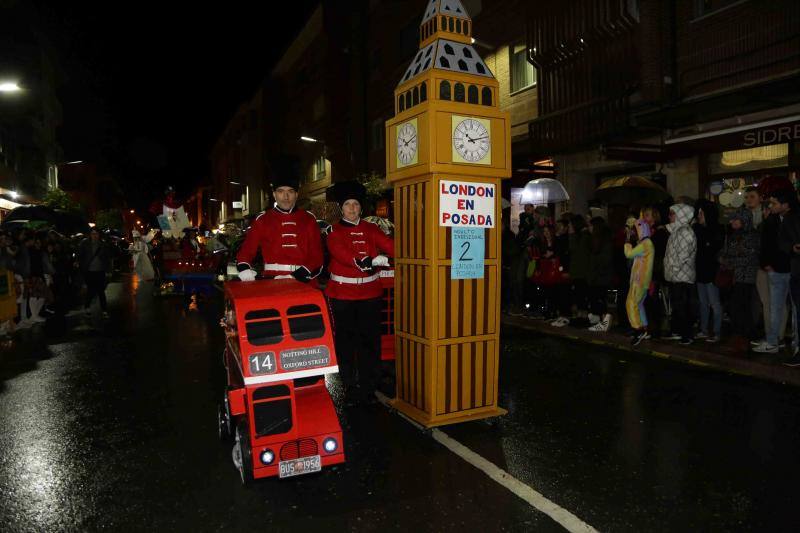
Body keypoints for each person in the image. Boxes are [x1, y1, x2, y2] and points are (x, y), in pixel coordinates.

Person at [325, 181, 394, 406]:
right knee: (346, 342)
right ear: (341, 208)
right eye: (348, 205)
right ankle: (349, 385)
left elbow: (390, 246)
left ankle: (369, 386)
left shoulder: (371, 229)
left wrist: (405, 250)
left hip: (370, 294)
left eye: (356, 204)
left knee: (370, 342)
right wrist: (366, 260)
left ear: (361, 208)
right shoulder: (333, 231)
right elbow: (342, 253)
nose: (352, 208)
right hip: (343, 296)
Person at [236, 158, 323, 282]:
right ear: (274, 194)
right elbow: (246, 252)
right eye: (281, 191)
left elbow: (316, 257)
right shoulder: (262, 219)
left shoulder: (308, 219)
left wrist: (294, 276)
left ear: (297, 194)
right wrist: (244, 269)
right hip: (271, 281)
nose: (286, 197)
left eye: (290, 191)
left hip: (303, 282)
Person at [753, 189, 795, 354]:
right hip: (779, 269)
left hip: (786, 268)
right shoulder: (773, 220)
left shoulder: (787, 220)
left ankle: (776, 340)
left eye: (774, 203)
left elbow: (773, 245)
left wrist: (768, 263)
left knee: (778, 306)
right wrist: (768, 264)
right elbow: (768, 245)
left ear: (785, 204)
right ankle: (774, 339)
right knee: (776, 306)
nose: (771, 206)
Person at [719, 209, 760, 349]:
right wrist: (724, 259)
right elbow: (723, 253)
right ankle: (741, 335)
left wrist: (728, 262)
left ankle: (745, 335)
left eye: (735, 219)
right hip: (734, 277)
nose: (731, 222)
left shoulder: (751, 236)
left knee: (740, 307)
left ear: (743, 220)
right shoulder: (733, 235)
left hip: (745, 277)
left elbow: (748, 258)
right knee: (735, 307)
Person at [664, 203, 697, 345]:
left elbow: (683, 255)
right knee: (678, 306)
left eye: (672, 213)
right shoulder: (676, 231)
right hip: (676, 276)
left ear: (680, 215)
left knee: (683, 306)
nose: (670, 216)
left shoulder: (685, 231)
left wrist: (674, 269)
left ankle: (687, 335)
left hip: (682, 276)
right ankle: (678, 331)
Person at [693, 200, 723, 343]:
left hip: (711, 273)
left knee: (714, 303)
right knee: (702, 303)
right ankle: (704, 330)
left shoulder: (716, 229)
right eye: (698, 212)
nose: (698, 215)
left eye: (701, 213)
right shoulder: (697, 229)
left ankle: (716, 332)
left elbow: (714, 251)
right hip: (700, 272)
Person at [624, 219, 655, 346]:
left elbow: (629, 254)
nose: (634, 232)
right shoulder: (645, 243)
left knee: (631, 303)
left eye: (636, 229)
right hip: (641, 280)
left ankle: (638, 330)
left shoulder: (646, 244)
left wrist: (627, 240)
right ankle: (645, 329)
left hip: (639, 281)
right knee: (639, 304)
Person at [587, 217, 613, 331]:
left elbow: (605, 259)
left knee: (601, 299)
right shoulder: (595, 241)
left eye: (591, 226)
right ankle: (599, 320)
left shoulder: (605, 241)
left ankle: (604, 322)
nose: (589, 228)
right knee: (596, 298)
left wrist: (596, 268)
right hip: (597, 275)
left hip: (602, 276)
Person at [78, 227, 111, 318]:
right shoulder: (85, 243)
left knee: (101, 291)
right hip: (89, 271)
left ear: (99, 234)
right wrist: (81, 266)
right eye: (93, 233)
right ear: (90, 234)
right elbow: (80, 256)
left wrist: (108, 270)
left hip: (100, 271)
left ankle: (104, 310)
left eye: (96, 233)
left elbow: (107, 258)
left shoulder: (103, 244)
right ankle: (87, 307)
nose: (94, 235)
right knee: (90, 290)